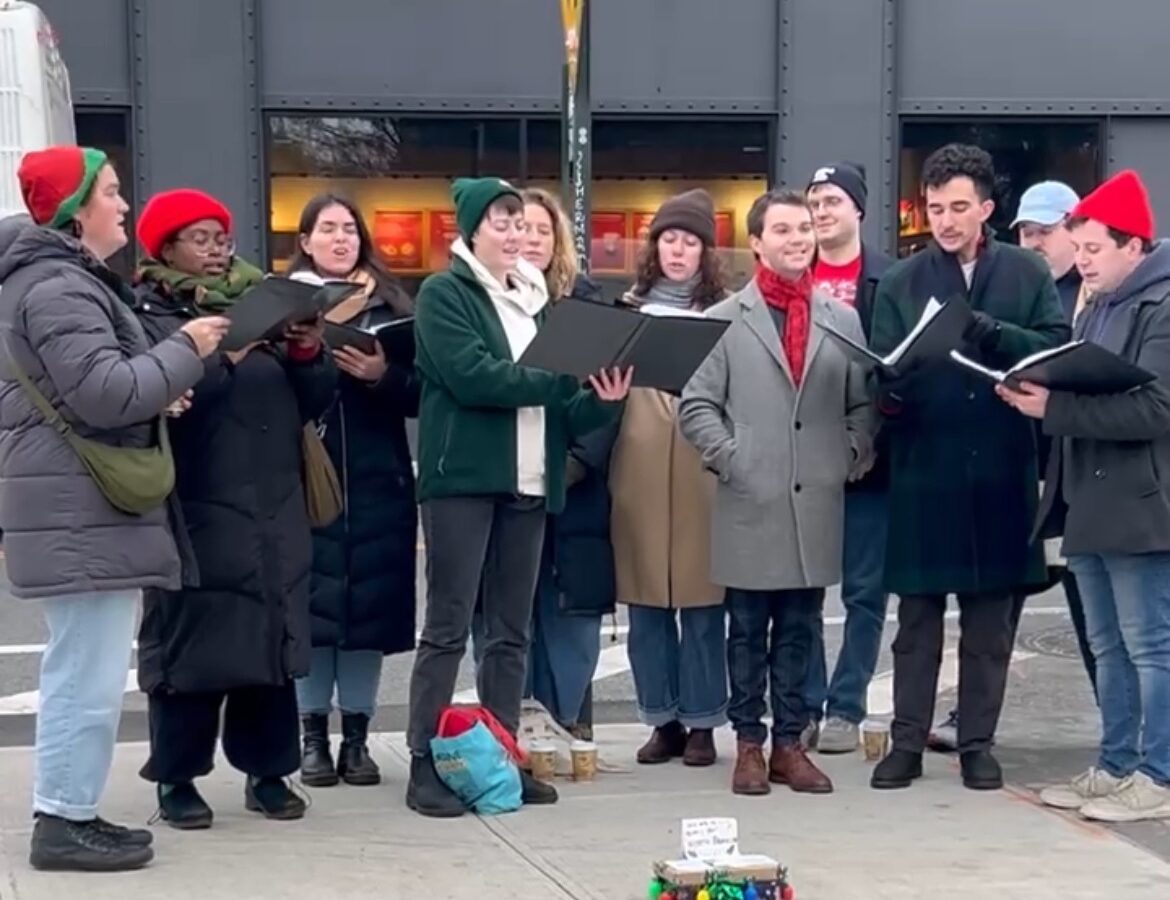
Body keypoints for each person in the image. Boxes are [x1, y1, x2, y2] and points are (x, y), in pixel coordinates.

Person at [1, 147, 227, 871]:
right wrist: (186, 349)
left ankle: (71, 811)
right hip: (80, 505)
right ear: (75, 211)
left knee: (86, 667)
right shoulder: (59, 288)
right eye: (112, 192)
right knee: (86, 673)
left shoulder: (52, 282)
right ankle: (64, 821)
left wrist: (161, 383)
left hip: (76, 502)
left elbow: (102, 388)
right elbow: (104, 395)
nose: (125, 205)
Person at [405, 177, 630, 818]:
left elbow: (562, 407)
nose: (512, 234)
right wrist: (564, 383)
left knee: (511, 632)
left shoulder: (536, 303)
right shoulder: (444, 293)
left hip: (531, 480)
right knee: (448, 628)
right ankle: (425, 760)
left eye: (521, 222)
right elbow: (475, 377)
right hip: (463, 482)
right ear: (473, 230)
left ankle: (500, 755)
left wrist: (599, 396)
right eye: (500, 222)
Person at [132, 189, 337, 828]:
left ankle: (268, 771)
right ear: (165, 249)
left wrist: (304, 351)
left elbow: (312, 402)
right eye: (199, 239)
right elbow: (160, 396)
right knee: (193, 645)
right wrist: (226, 355)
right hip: (196, 501)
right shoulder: (148, 313)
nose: (217, 251)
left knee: (270, 643)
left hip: (273, 503)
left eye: (221, 237)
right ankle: (177, 778)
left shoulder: (260, 305)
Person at [868, 144, 1068, 792]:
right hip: (926, 462)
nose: (946, 221)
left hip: (1002, 463)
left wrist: (991, 332)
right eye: (934, 208)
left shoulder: (1027, 272)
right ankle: (905, 743)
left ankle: (978, 743)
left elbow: (1054, 345)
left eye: (959, 207)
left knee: (990, 622)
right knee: (916, 622)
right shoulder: (900, 281)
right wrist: (889, 387)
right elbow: (879, 367)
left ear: (986, 207)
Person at [680, 189, 874, 795]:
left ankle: (791, 742)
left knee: (801, 626)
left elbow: (862, 402)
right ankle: (748, 745)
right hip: (750, 494)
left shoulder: (840, 319)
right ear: (757, 242)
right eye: (783, 230)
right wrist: (731, 458)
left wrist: (847, 454)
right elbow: (697, 404)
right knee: (745, 627)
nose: (798, 239)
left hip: (814, 494)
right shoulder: (724, 322)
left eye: (805, 229)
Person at [1010, 170, 1170, 822]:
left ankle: (1156, 774)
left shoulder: (1160, 305)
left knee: (1150, 645)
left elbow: (1156, 408)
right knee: (1106, 645)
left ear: (1134, 245)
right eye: (1078, 249)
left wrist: (1056, 407)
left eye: (1095, 249)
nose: (1083, 261)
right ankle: (1115, 764)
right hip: (1089, 501)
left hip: (1140, 506)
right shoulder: (1098, 303)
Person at [929, 179, 1095, 754]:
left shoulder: (1093, 290)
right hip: (1021, 464)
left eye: (1046, 232)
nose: (1035, 243)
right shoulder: (1012, 281)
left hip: (1075, 470)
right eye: (1027, 231)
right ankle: (970, 715)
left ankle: (1122, 733)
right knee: (1000, 608)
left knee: (1091, 606)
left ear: (1077, 232)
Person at [286, 194, 418, 788]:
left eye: (349, 230)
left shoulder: (391, 306)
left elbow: (425, 393)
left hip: (378, 476)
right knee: (312, 610)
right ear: (306, 240)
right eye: (328, 229)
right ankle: (312, 736)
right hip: (304, 475)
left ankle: (358, 739)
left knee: (367, 610)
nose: (341, 240)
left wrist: (382, 376)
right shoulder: (281, 304)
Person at [609, 189, 729, 768]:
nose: (678, 251)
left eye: (690, 241)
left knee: (705, 601)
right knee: (646, 600)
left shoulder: (727, 312)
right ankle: (661, 718)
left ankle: (705, 721)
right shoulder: (624, 310)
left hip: (703, 460)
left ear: (707, 252)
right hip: (638, 459)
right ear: (653, 247)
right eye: (669, 239)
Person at [516, 186, 618, 734]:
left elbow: (609, 400)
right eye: (520, 227)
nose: (530, 238)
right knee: (512, 610)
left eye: (541, 229)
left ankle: (570, 721)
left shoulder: (588, 307)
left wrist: (570, 465)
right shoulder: (491, 305)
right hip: (509, 481)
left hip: (576, 487)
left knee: (572, 609)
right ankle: (516, 723)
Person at [802, 162, 895, 754]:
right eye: (814, 200)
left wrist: (869, 439)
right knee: (803, 588)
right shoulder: (788, 274)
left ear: (858, 208)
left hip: (871, 462)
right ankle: (805, 702)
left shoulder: (892, 277)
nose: (822, 211)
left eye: (833, 199)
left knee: (865, 591)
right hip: (802, 458)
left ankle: (847, 705)